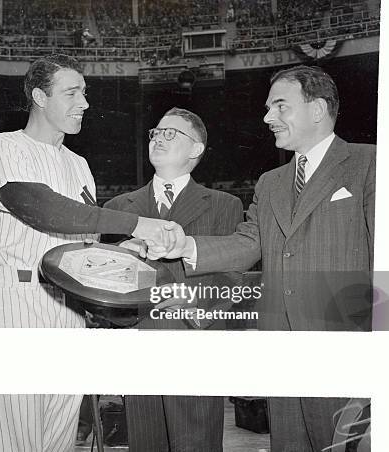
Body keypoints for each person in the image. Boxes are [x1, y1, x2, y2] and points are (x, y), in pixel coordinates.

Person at [148, 66, 375, 451]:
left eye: (280, 106)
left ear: (317, 109)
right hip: (281, 350)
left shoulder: (370, 163)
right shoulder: (271, 181)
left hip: (345, 351)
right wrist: (185, 246)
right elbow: (249, 241)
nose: (268, 118)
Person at [0, 53, 175, 452]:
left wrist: (128, 251)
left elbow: (85, 247)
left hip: (68, 307)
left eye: (85, 93)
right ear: (40, 97)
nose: (84, 103)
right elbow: (40, 208)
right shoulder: (1, 147)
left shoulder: (79, 165)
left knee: (59, 441)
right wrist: (136, 224)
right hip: (15, 301)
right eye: (72, 93)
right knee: (11, 440)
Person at [104, 107, 243, 452]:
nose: (158, 139)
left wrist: (195, 302)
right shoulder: (119, 205)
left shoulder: (225, 204)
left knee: (196, 445)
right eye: (155, 132)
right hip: (137, 346)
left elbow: (230, 275)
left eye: (171, 134)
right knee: (146, 442)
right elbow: (104, 280)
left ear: (196, 149)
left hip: (194, 346)